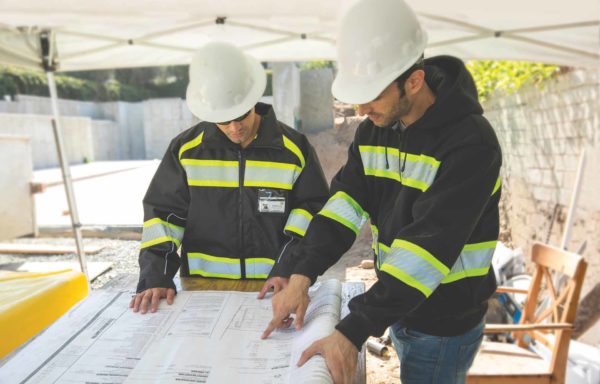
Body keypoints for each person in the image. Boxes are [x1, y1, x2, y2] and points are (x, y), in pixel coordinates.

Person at [262, 0, 502, 382]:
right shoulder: (375, 128)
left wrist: (353, 331)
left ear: (414, 81)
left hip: (444, 323)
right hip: (401, 306)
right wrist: (301, 273)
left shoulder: (471, 144)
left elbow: (426, 250)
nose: (360, 107)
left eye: (372, 95)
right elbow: (344, 205)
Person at [130, 41, 329, 314]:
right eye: (223, 121)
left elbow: (310, 211)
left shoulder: (294, 149)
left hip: (275, 286)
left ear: (253, 102)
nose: (235, 128)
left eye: (240, 116)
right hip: (202, 287)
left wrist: (288, 268)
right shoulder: (186, 151)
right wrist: (156, 275)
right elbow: (163, 216)